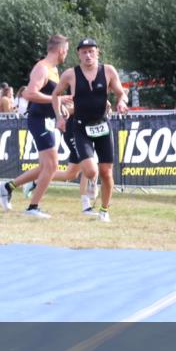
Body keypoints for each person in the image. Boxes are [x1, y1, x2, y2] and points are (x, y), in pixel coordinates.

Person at [52, 38, 129, 223]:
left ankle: (104, 210)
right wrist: (59, 117)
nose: (88, 55)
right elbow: (55, 95)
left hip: (102, 126)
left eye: (91, 51)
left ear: (97, 52)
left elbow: (121, 92)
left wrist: (121, 102)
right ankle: (91, 189)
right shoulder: (70, 74)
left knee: (106, 172)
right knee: (90, 171)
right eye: (84, 52)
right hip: (81, 127)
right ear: (78, 54)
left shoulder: (108, 70)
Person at [0, 34, 72, 218]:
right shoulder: (42, 68)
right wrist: (59, 99)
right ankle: (33, 207)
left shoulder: (53, 70)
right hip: (38, 120)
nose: (66, 55)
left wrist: (61, 109)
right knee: (52, 166)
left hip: (46, 120)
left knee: (45, 166)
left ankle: (7, 187)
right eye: (67, 51)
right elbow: (30, 94)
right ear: (61, 50)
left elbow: (51, 98)